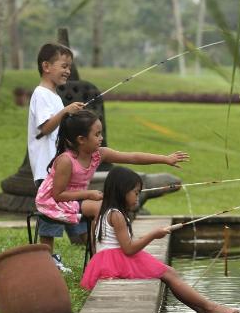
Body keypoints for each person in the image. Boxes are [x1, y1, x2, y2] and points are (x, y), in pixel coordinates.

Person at [35, 110, 190, 273]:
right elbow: (57, 195)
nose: (101, 138)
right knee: (101, 207)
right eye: (97, 134)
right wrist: (88, 194)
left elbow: (133, 157)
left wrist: (165, 159)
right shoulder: (66, 161)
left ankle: (110, 250)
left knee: (105, 206)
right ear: (81, 139)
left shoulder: (98, 154)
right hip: (53, 202)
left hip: (74, 199)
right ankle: (100, 261)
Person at [80, 166, 239, 313]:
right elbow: (128, 249)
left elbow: (99, 239)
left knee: (169, 273)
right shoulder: (117, 215)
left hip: (104, 261)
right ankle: (209, 308)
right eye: (135, 193)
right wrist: (153, 235)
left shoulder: (102, 210)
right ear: (122, 192)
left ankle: (204, 309)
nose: (138, 197)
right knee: (169, 273)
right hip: (118, 260)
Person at [27, 42, 85, 272]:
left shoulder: (54, 97)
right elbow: (44, 128)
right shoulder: (41, 95)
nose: (68, 71)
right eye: (64, 65)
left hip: (60, 169)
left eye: (69, 66)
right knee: (49, 220)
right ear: (46, 66)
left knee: (73, 215)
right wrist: (64, 112)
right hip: (46, 171)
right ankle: (45, 262)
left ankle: (85, 254)